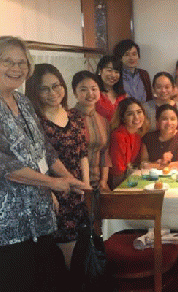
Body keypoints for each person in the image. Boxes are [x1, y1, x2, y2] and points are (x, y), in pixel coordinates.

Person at [0, 36, 88, 291]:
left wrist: (68, 178)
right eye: (8, 61)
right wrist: (53, 183)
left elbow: (45, 150)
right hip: (9, 228)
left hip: (41, 219)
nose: (16, 69)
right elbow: (5, 166)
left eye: (22, 62)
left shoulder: (23, 103)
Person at [25, 63, 90, 268]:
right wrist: (49, 190)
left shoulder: (75, 116)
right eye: (45, 88)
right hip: (55, 192)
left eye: (56, 85)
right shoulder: (34, 121)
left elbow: (83, 153)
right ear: (35, 91)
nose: (53, 93)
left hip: (78, 189)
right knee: (64, 252)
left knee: (82, 247)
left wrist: (85, 184)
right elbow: (35, 161)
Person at [71, 70, 112, 191]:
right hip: (75, 184)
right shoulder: (68, 118)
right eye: (83, 89)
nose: (90, 93)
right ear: (75, 93)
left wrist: (104, 181)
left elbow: (105, 153)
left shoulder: (103, 120)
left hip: (98, 183)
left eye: (94, 89)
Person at [109, 98, 149, 188]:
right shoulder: (118, 136)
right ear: (123, 118)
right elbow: (118, 171)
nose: (136, 117)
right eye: (130, 114)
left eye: (139, 112)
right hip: (118, 184)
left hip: (130, 179)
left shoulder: (137, 135)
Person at [95, 55, 127, 121]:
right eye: (109, 70)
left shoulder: (123, 96)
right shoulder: (94, 93)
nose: (113, 75)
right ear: (100, 71)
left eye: (116, 72)